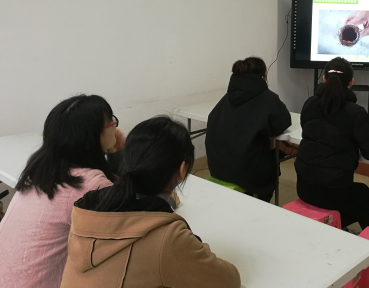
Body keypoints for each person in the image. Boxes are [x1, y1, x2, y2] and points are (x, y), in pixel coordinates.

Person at [60, 116, 241, 288]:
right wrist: (199, 248)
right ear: (182, 169)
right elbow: (228, 280)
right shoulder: (168, 238)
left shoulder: (87, 211)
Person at [0, 94, 124, 288]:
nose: (116, 128)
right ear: (96, 135)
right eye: (112, 122)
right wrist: (119, 153)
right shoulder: (90, 185)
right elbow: (131, 217)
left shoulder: (40, 171)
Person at [295, 57, 369, 231]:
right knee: (364, 196)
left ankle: (334, 228)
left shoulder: (309, 103)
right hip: (335, 191)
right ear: (351, 82)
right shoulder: (356, 113)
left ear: (324, 78)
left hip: (303, 187)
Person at [206, 57, 292, 202]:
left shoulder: (226, 98)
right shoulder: (268, 98)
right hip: (246, 175)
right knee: (276, 154)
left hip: (217, 169)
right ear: (264, 77)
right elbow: (282, 122)